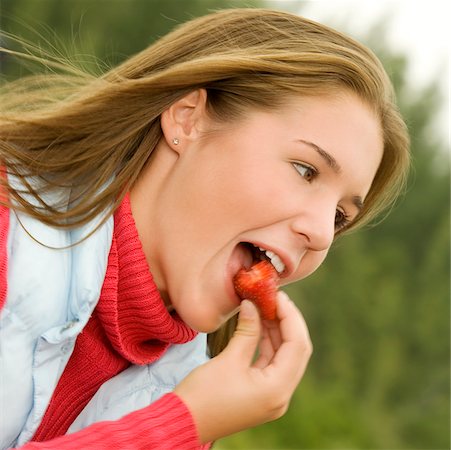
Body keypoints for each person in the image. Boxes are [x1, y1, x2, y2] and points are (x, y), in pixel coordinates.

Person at [0, 7, 410, 450]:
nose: (323, 235)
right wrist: (178, 425)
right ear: (187, 118)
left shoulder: (197, 393)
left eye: (339, 217)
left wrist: (188, 424)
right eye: (305, 170)